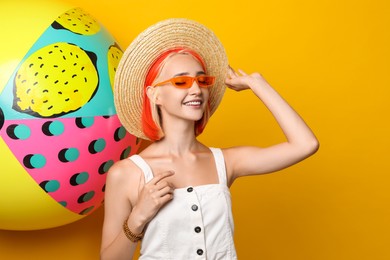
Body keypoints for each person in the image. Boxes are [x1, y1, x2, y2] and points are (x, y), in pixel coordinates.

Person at [100, 18, 319, 260]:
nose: (196, 89)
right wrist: (138, 217)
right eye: (181, 81)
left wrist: (257, 84)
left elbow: (305, 144)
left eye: (202, 80)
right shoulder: (126, 173)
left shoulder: (225, 162)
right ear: (155, 95)